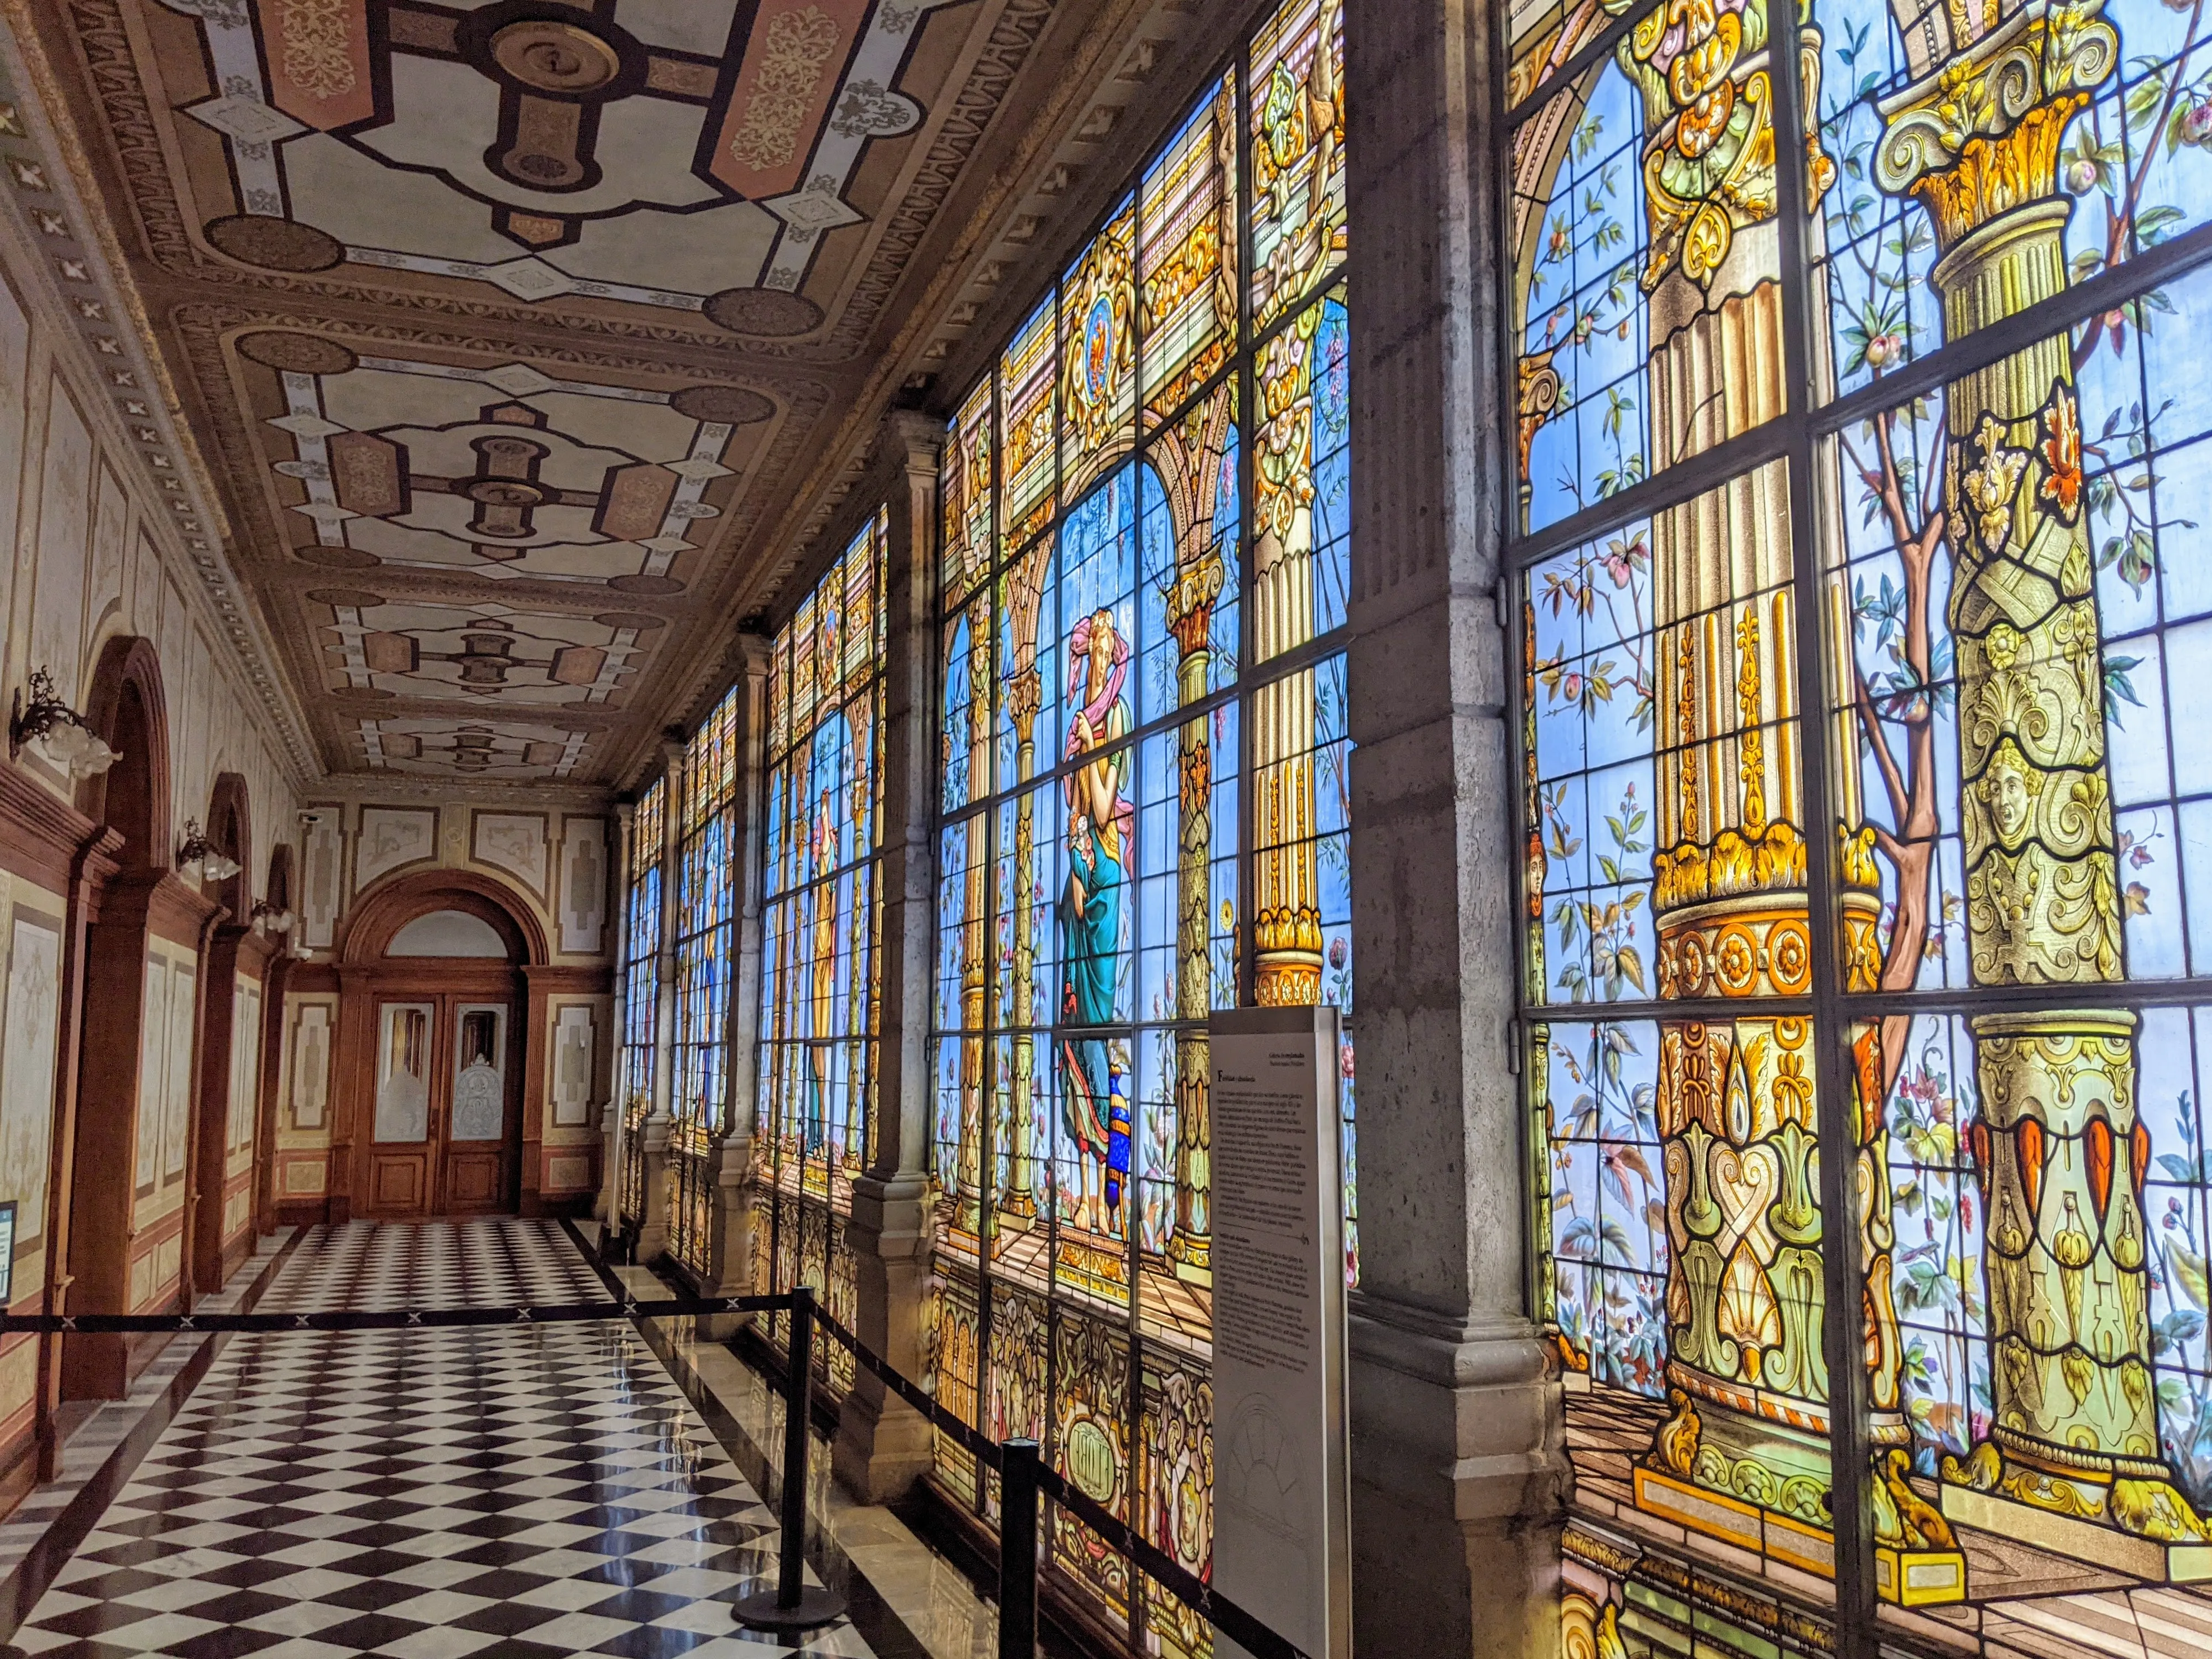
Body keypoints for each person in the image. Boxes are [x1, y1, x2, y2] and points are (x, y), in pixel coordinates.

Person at [1058, 610, 1133, 1234]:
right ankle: (1083, 1190)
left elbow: (1105, 813)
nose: (1099, 649)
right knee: (1072, 1039)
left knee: (1102, 1031)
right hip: (1079, 886)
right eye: (1094, 641)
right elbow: (1076, 820)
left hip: (1107, 884)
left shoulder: (1119, 721)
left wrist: (1089, 746)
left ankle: (1116, 1193)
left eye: (1108, 639)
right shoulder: (1081, 721)